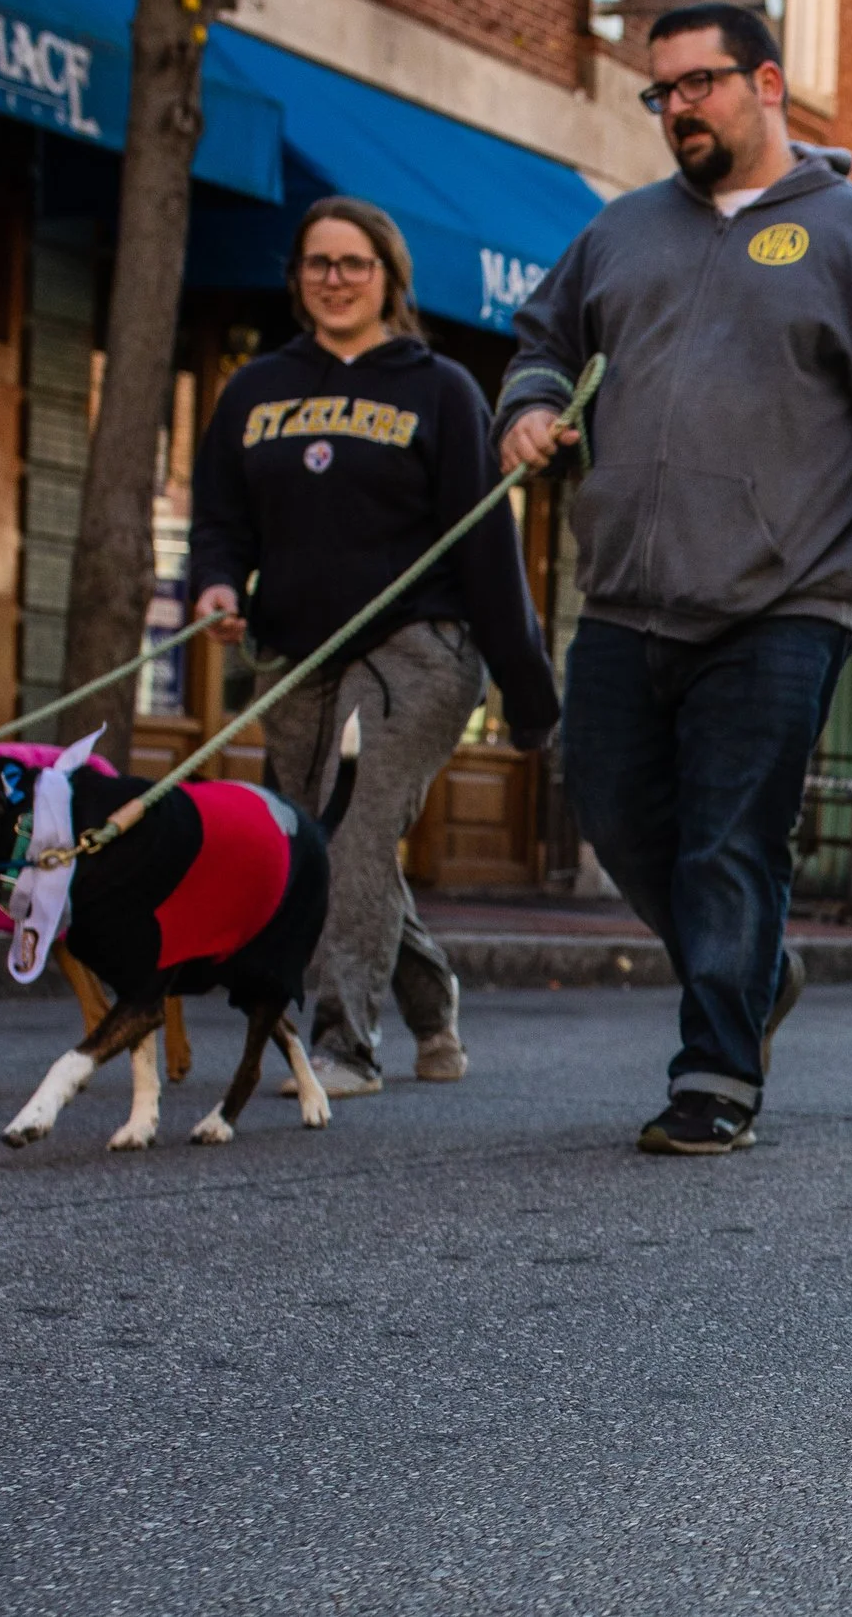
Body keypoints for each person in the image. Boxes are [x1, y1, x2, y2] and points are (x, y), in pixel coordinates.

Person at [495, 3, 852, 1154]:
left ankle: (715, 1072)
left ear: (766, 84)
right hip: (626, 591)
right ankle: (755, 969)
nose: (678, 107)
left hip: (786, 600)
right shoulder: (620, 232)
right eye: (660, 91)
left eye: (699, 84)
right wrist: (525, 407)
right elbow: (538, 342)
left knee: (730, 835)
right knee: (615, 806)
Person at [190, 197, 560, 1096]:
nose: (335, 280)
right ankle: (433, 1006)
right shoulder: (255, 388)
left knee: (353, 832)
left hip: (419, 649)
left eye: (355, 263)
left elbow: (485, 546)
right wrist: (214, 584)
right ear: (297, 279)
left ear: (390, 277)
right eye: (318, 264)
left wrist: (526, 687)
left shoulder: (440, 389)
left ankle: (344, 1046)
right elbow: (220, 519)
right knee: (319, 844)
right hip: (296, 654)